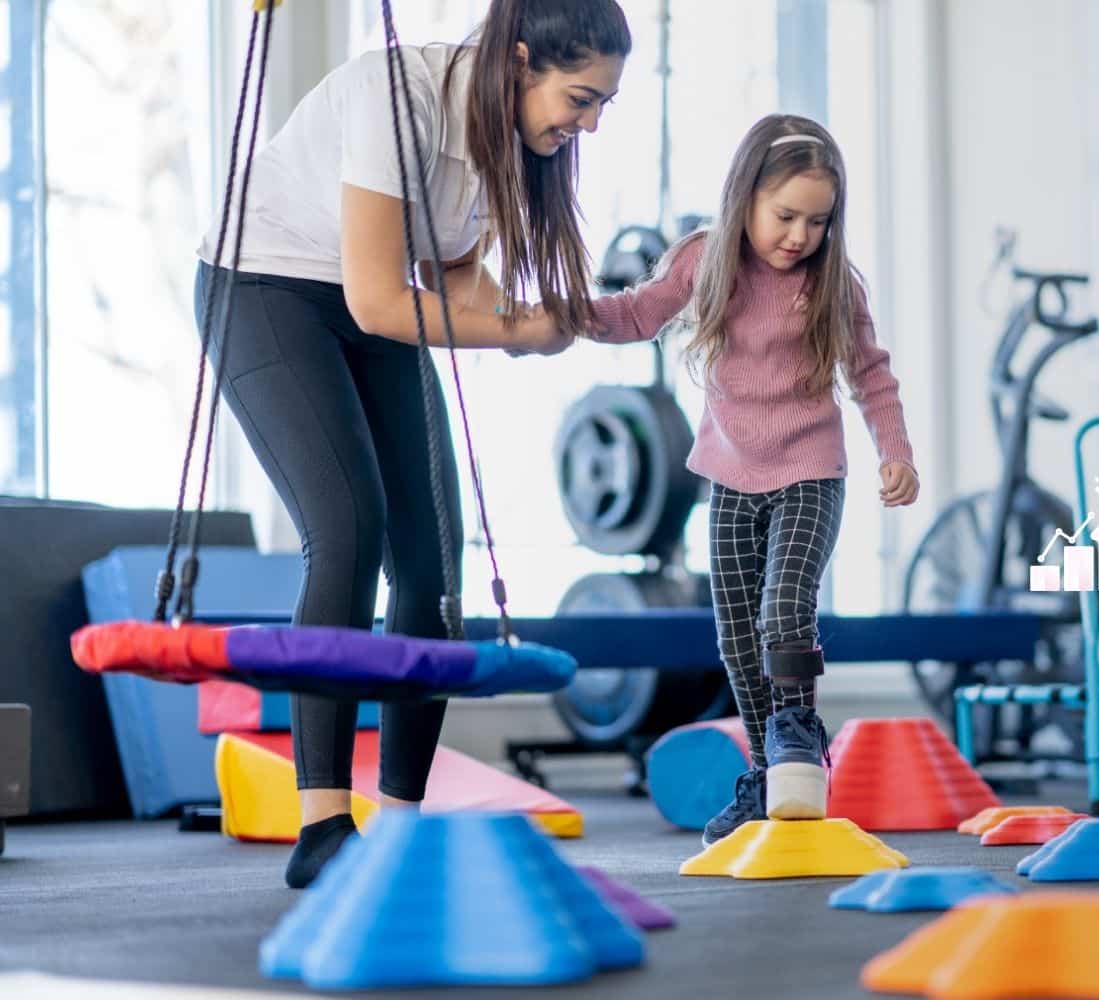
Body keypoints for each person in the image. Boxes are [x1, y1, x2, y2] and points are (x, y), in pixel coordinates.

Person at [193, 0, 625, 888]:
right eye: (580, 99)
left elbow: (452, 265)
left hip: (370, 302)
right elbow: (380, 303)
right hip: (267, 287)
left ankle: (403, 824)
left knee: (431, 560)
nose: (587, 124)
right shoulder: (402, 97)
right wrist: (513, 333)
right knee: (347, 526)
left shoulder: (511, 138)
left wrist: (515, 314)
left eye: (600, 108)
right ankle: (321, 828)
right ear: (519, 59)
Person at [552, 113, 920, 843]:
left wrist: (895, 450)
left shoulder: (832, 285)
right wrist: (564, 314)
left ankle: (797, 735)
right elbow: (634, 315)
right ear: (745, 197)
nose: (798, 236)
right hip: (728, 475)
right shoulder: (703, 260)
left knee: (785, 606)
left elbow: (871, 375)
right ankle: (766, 774)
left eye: (817, 222)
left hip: (811, 471)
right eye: (785, 216)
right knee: (734, 634)